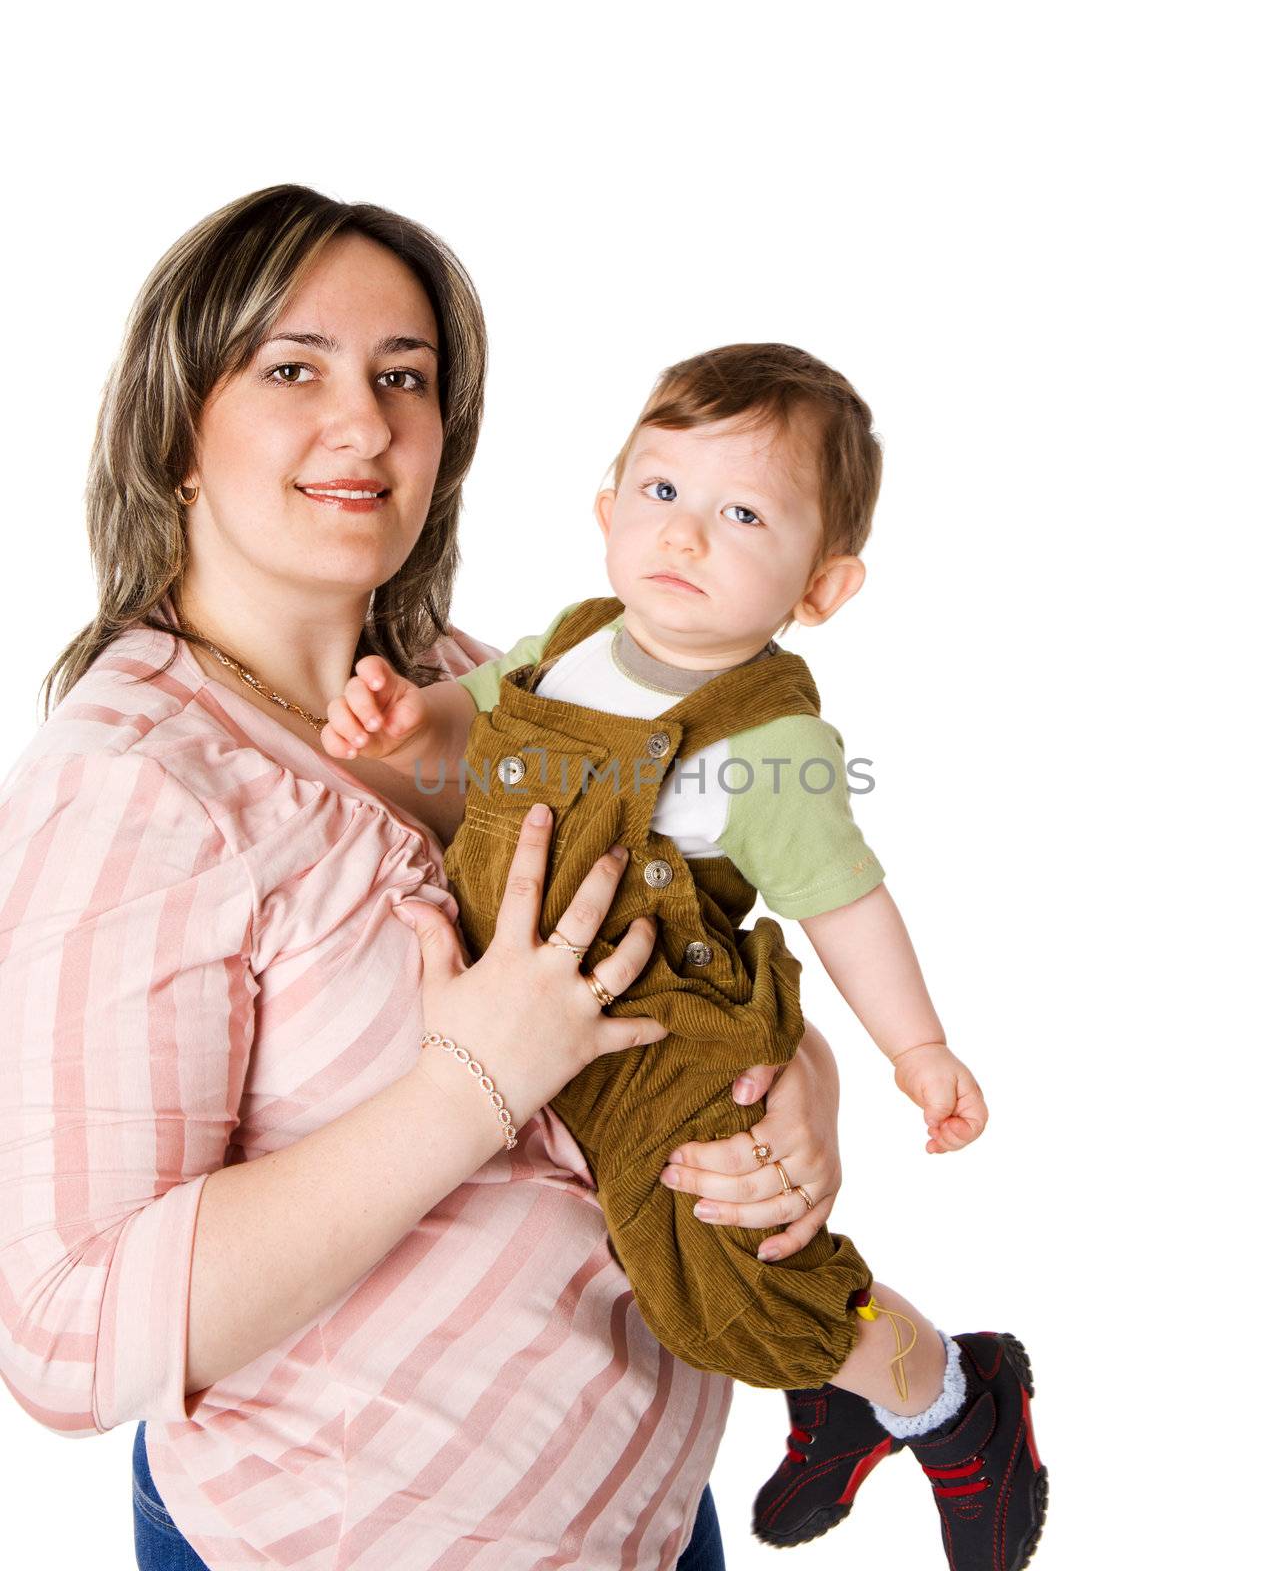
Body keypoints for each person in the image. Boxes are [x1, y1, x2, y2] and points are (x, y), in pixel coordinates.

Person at [0, 185, 854, 1571]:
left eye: (405, 376)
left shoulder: (495, 687)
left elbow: (677, 951)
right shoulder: (133, 787)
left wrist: (796, 1089)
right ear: (176, 435)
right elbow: (64, 1338)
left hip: (649, 1524)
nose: (368, 422)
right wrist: (466, 1088)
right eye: (293, 369)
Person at [317, 346, 1051, 1567]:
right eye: (660, 493)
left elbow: (847, 905)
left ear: (822, 585)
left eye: (742, 513)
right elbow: (471, 722)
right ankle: (834, 1400)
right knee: (681, 1274)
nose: (686, 536)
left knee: (720, 1286)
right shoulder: (571, 642)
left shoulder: (775, 743)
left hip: (667, 1039)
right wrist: (408, 727)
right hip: (537, 1022)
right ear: (607, 511)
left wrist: (913, 1049)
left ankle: (949, 1394)